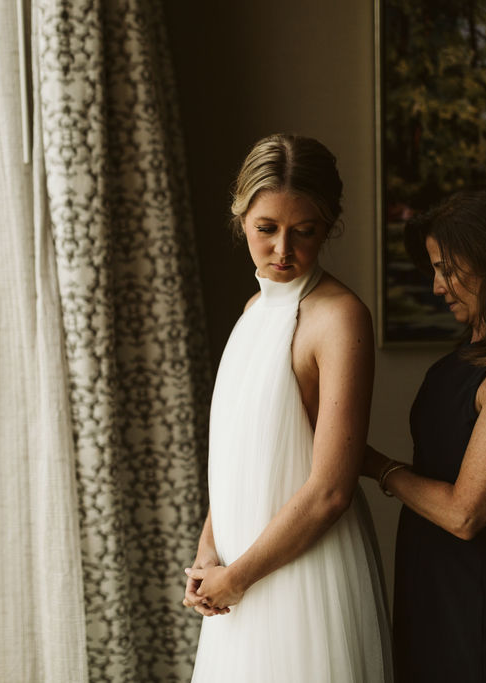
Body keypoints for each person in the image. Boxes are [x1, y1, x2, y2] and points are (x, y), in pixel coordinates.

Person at [183, 134, 392, 682]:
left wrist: (240, 577)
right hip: (237, 574)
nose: (283, 250)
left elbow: (331, 490)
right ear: (241, 218)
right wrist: (208, 553)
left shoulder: (341, 319)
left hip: (302, 576)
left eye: (305, 232)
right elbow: (237, 456)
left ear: (329, 226)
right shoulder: (254, 309)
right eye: (266, 229)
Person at [364, 184, 486, 682]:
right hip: (428, 577)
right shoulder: (470, 354)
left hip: (478, 593)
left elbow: (464, 514)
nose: (437, 286)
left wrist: (375, 467)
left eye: (446, 269)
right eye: (434, 268)